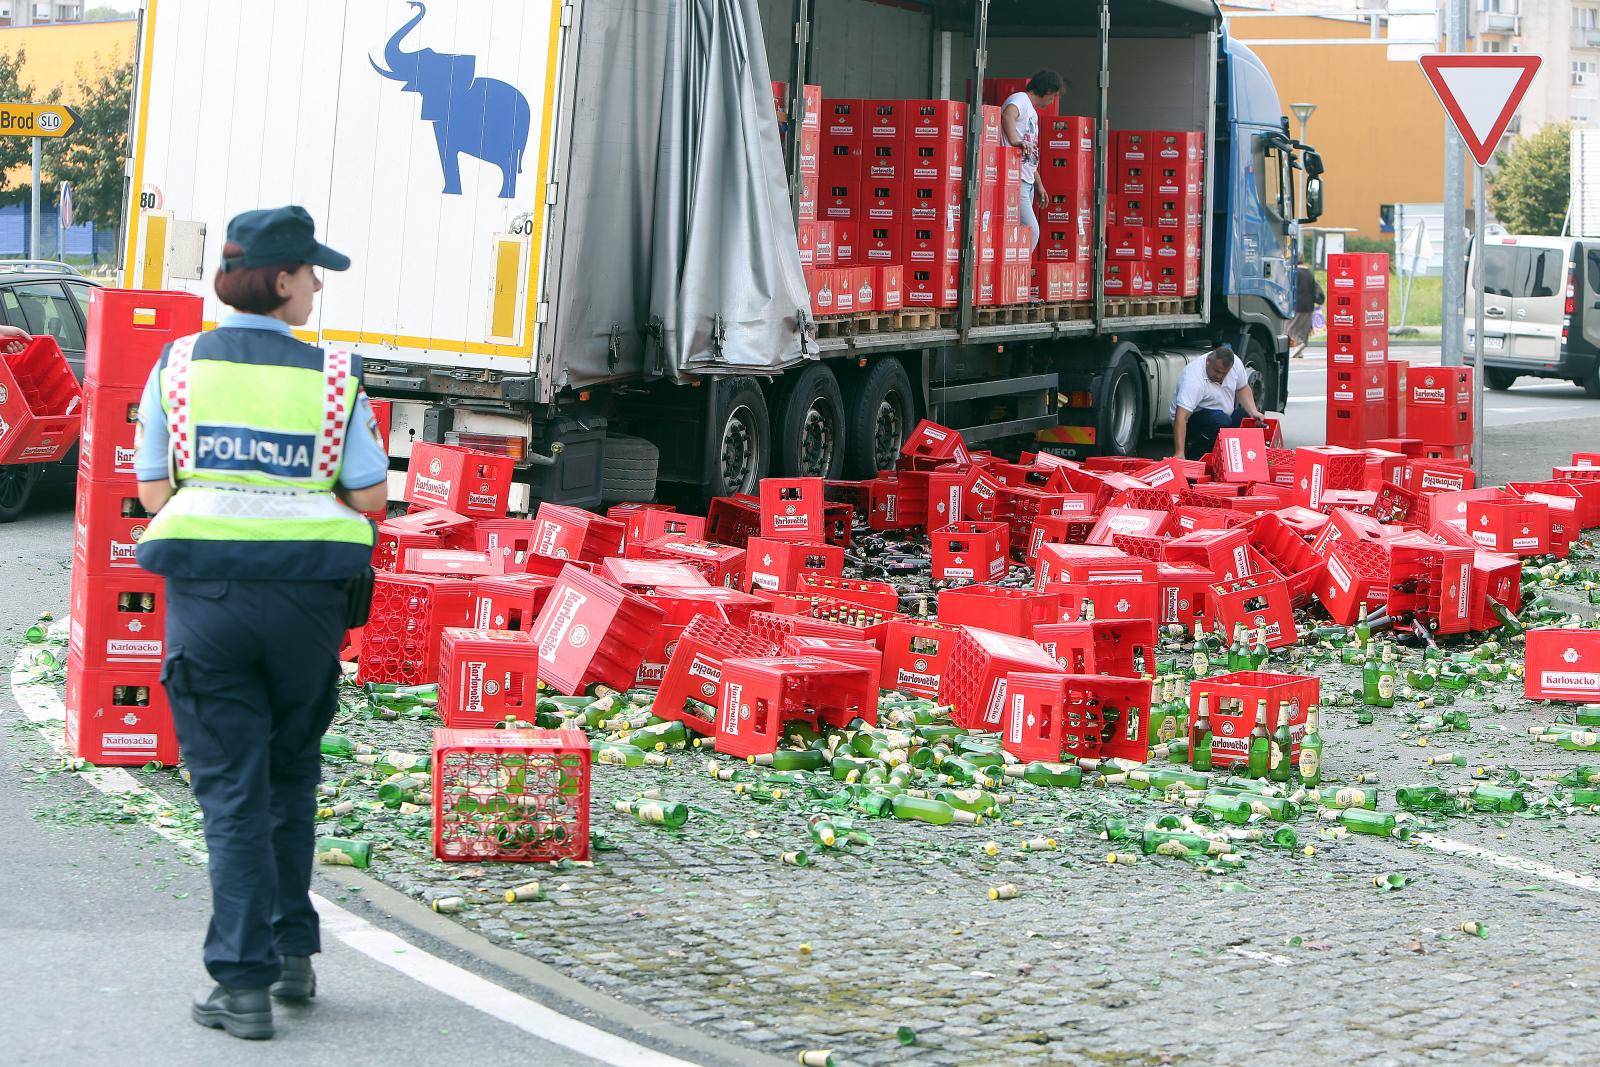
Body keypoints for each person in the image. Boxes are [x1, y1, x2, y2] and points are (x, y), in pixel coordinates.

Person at [133, 206, 389, 1040]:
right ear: (281, 281)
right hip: (309, 609)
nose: (317, 285)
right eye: (312, 272)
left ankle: (240, 984)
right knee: (289, 776)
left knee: (230, 791)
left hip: (209, 604)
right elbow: (370, 500)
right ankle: (290, 958)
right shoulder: (336, 376)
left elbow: (152, 492)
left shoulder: (177, 367)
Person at [1001, 70, 1063, 254]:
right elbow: (1008, 114)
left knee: (1022, 232)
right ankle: (1018, 271)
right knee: (1032, 231)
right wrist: (1014, 140)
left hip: (1027, 181)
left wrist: (1039, 183)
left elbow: (1029, 154)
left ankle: (1015, 271)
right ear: (1047, 90)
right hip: (1015, 180)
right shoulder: (1021, 99)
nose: (1053, 100)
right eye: (1054, 95)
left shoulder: (1032, 112)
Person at [1170, 343, 1265, 460]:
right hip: (1192, 421)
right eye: (1217, 371)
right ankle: (1194, 456)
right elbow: (1181, 416)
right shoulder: (1193, 379)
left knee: (1246, 417)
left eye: (1224, 373)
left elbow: (1242, 388)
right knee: (1221, 420)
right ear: (1208, 361)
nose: (1219, 376)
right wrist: (1179, 452)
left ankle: (1232, 459)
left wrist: (1253, 411)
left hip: (1222, 417)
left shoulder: (1236, 364)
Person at [1290, 263, 1324, 358]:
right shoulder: (1309, 272)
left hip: (1297, 304)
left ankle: (1299, 343)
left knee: (1290, 327)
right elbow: (1315, 288)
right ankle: (1300, 350)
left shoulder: (1295, 272)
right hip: (1309, 305)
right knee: (1304, 328)